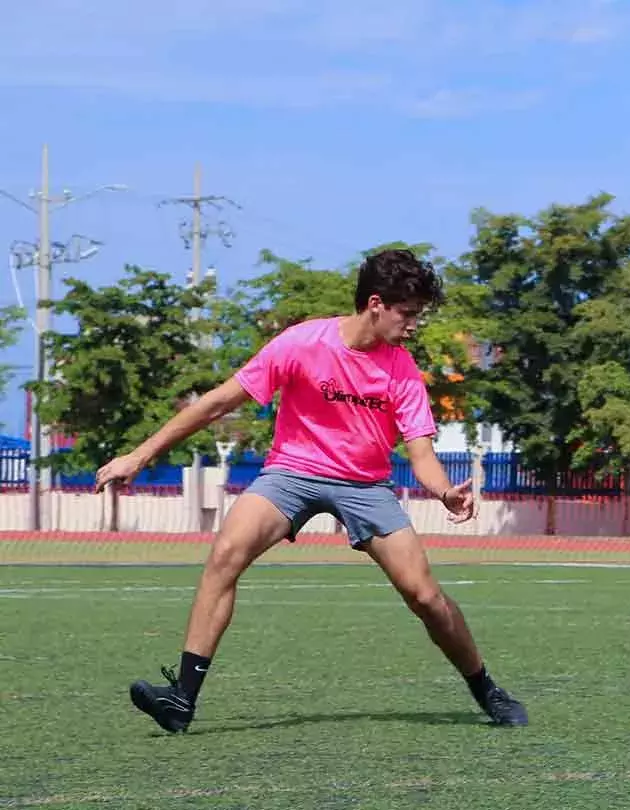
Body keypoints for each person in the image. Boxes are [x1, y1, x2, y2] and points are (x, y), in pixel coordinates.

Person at [95, 248, 528, 734]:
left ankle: (485, 688)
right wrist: (139, 455)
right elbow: (217, 403)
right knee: (226, 553)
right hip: (292, 474)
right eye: (408, 314)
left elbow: (421, 454)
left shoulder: (402, 370)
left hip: (365, 484)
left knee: (424, 596)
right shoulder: (302, 343)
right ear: (376, 303)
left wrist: (446, 493)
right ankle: (181, 700)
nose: (413, 326)